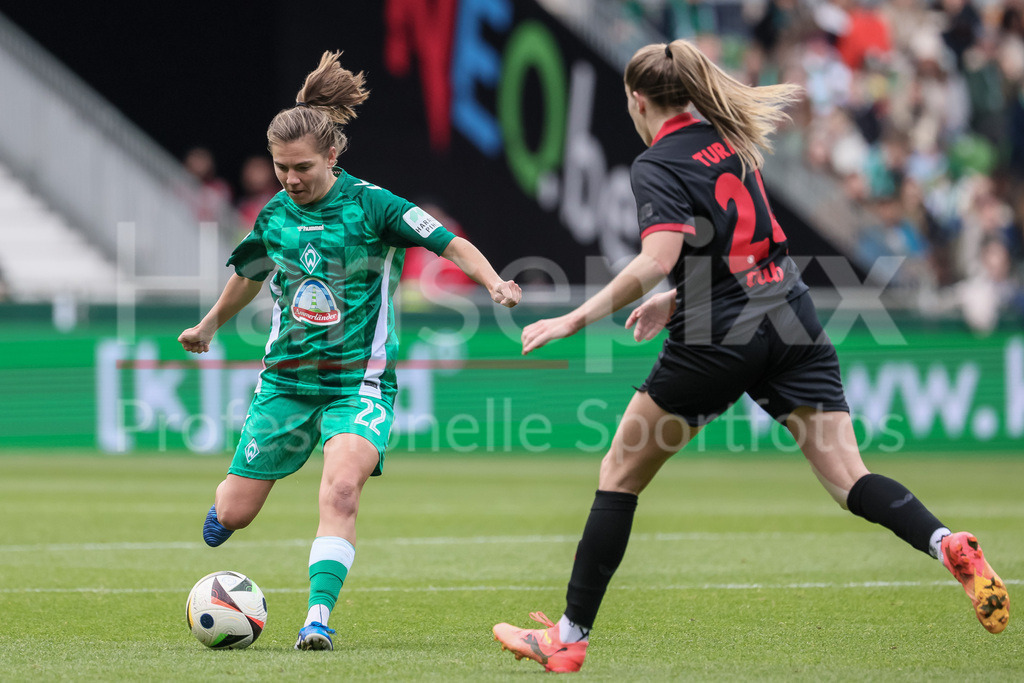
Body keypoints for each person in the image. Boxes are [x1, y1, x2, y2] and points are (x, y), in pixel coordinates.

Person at [492, 39, 1009, 673]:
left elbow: (657, 257)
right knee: (850, 478)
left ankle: (568, 638)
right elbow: (741, 247)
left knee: (619, 474)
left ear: (636, 99)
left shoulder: (657, 163)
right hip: (791, 317)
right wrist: (677, 300)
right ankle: (944, 541)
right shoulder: (728, 137)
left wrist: (574, 318)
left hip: (722, 337)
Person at [178, 50, 521, 652]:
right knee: (234, 513)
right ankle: (228, 511)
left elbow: (450, 243)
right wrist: (207, 327)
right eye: (281, 167)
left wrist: (493, 282)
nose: (290, 179)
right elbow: (249, 275)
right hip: (285, 383)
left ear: (333, 155)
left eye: (302, 167)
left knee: (340, 488)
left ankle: (317, 618)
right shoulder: (275, 215)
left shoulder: (374, 206)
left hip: (357, 384)